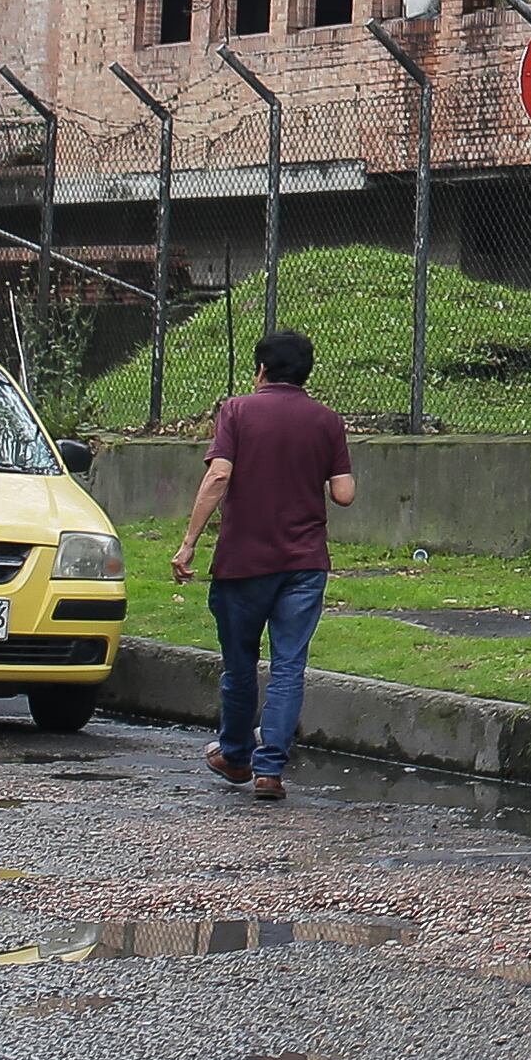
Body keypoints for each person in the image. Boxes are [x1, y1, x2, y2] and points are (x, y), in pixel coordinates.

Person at [170, 325, 356, 801]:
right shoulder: (327, 420)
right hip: (305, 562)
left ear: (261, 369)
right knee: (289, 664)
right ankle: (270, 770)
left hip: (243, 562)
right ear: (306, 372)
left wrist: (189, 542)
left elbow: (218, 476)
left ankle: (235, 754)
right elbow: (344, 493)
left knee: (240, 664)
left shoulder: (237, 410)